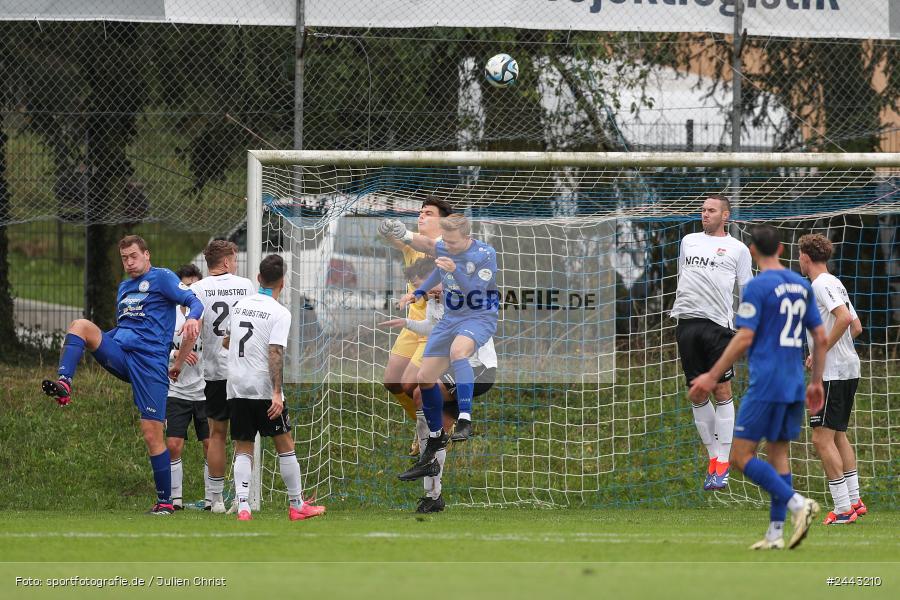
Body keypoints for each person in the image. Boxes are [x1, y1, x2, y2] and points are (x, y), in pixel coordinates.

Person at [41, 235, 203, 515]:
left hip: (150, 364)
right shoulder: (124, 287)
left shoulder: (162, 278)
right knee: (81, 325)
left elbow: (193, 300)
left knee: (152, 434)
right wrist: (100, 341)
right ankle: (65, 383)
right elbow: (125, 326)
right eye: (124, 258)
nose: (129, 262)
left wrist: (191, 317)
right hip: (122, 352)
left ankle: (165, 501)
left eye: (133, 256)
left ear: (147, 255)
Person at [689, 225, 826, 550]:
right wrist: (817, 382)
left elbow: (745, 336)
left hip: (766, 384)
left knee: (738, 456)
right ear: (780, 248)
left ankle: (797, 504)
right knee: (778, 453)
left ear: (752, 251)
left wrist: (712, 375)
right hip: (794, 382)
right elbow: (820, 337)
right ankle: (775, 534)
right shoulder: (800, 284)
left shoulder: (757, 286)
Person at [387, 214, 499, 480]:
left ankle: (465, 419)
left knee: (458, 351)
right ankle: (435, 443)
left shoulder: (485, 253)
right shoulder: (440, 294)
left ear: (467, 238)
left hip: (478, 338)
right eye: (444, 242)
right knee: (422, 381)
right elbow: (435, 264)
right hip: (453, 326)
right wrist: (418, 294)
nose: (446, 246)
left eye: (452, 242)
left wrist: (454, 270)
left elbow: (475, 291)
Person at [380, 259, 497, 512]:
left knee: (423, 393)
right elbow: (434, 327)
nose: (430, 293)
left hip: (478, 369)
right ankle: (433, 496)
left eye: (431, 287)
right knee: (428, 409)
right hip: (454, 370)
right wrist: (407, 323)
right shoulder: (434, 302)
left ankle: (451, 431)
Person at [225, 254, 325, 521]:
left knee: (243, 446)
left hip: (236, 385)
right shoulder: (279, 312)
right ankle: (296, 505)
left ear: (258, 278)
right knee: (285, 443)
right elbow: (275, 352)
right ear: (283, 281)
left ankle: (243, 506)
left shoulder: (239, 305)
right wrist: (277, 392)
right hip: (262, 387)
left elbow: (228, 341)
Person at [671, 194, 752, 490]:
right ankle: (713, 459)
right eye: (703, 209)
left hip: (719, 326)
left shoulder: (738, 249)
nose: (705, 214)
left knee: (721, 389)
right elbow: (683, 275)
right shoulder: (688, 241)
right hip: (687, 323)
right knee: (696, 393)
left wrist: (747, 326)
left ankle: (723, 462)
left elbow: (746, 291)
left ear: (725, 215)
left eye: (711, 210)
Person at [174, 240, 255, 514]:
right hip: (244, 371)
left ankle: (217, 500)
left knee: (217, 434)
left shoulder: (196, 290)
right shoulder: (245, 286)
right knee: (243, 437)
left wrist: (180, 361)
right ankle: (241, 499)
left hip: (215, 373)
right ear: (227, 261)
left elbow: (191, 330)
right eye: (234, 258)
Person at [798, 233, 866, 524]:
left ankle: (841, 509)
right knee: (838, 435)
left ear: (805, 257)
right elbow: (857, 327)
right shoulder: (835, 281)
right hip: (848, 368)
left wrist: (822, 349)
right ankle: (855, 501)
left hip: (834, 373)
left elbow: (844, 319)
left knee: (820, 438)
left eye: (799, 255)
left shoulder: (820, 285)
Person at [377, 197, 453, 455]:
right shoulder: (412, 248)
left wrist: (405, 233)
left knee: (412, 385)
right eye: (420, 212)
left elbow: (430, 246)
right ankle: (426, 426)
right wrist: (386, 229)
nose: (421, 216)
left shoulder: (444, 247)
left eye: (428, 213)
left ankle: (438, 430)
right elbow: (395, 240)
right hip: (413, 326)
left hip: (435, 329)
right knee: (391, 382)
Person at [165, 264, 211, 510]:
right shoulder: (169, 314)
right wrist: (176, 354)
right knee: (173, 445)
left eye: (195, 285)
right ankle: (176, 499)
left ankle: (211, 498)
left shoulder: (205, 314)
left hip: (204, 391)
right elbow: (155, 347)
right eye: (186, 285)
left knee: (209, 444)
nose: (190, 289)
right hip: (176, 390)